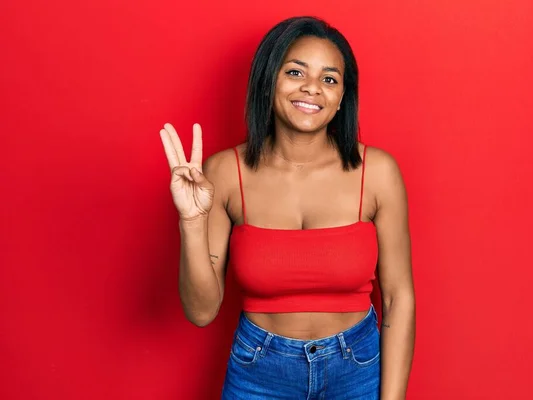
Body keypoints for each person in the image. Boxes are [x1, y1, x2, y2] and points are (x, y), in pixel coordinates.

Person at [159, 16, 415, 400]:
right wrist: (192, 221)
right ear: (268, 81)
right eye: (295, 72)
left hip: (357, 370)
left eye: (329, 79)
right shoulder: (224, 173)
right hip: (259, 373)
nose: (312, 88)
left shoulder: (377, 172)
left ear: (343, 96)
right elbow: (201, 312)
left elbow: (399, 298)